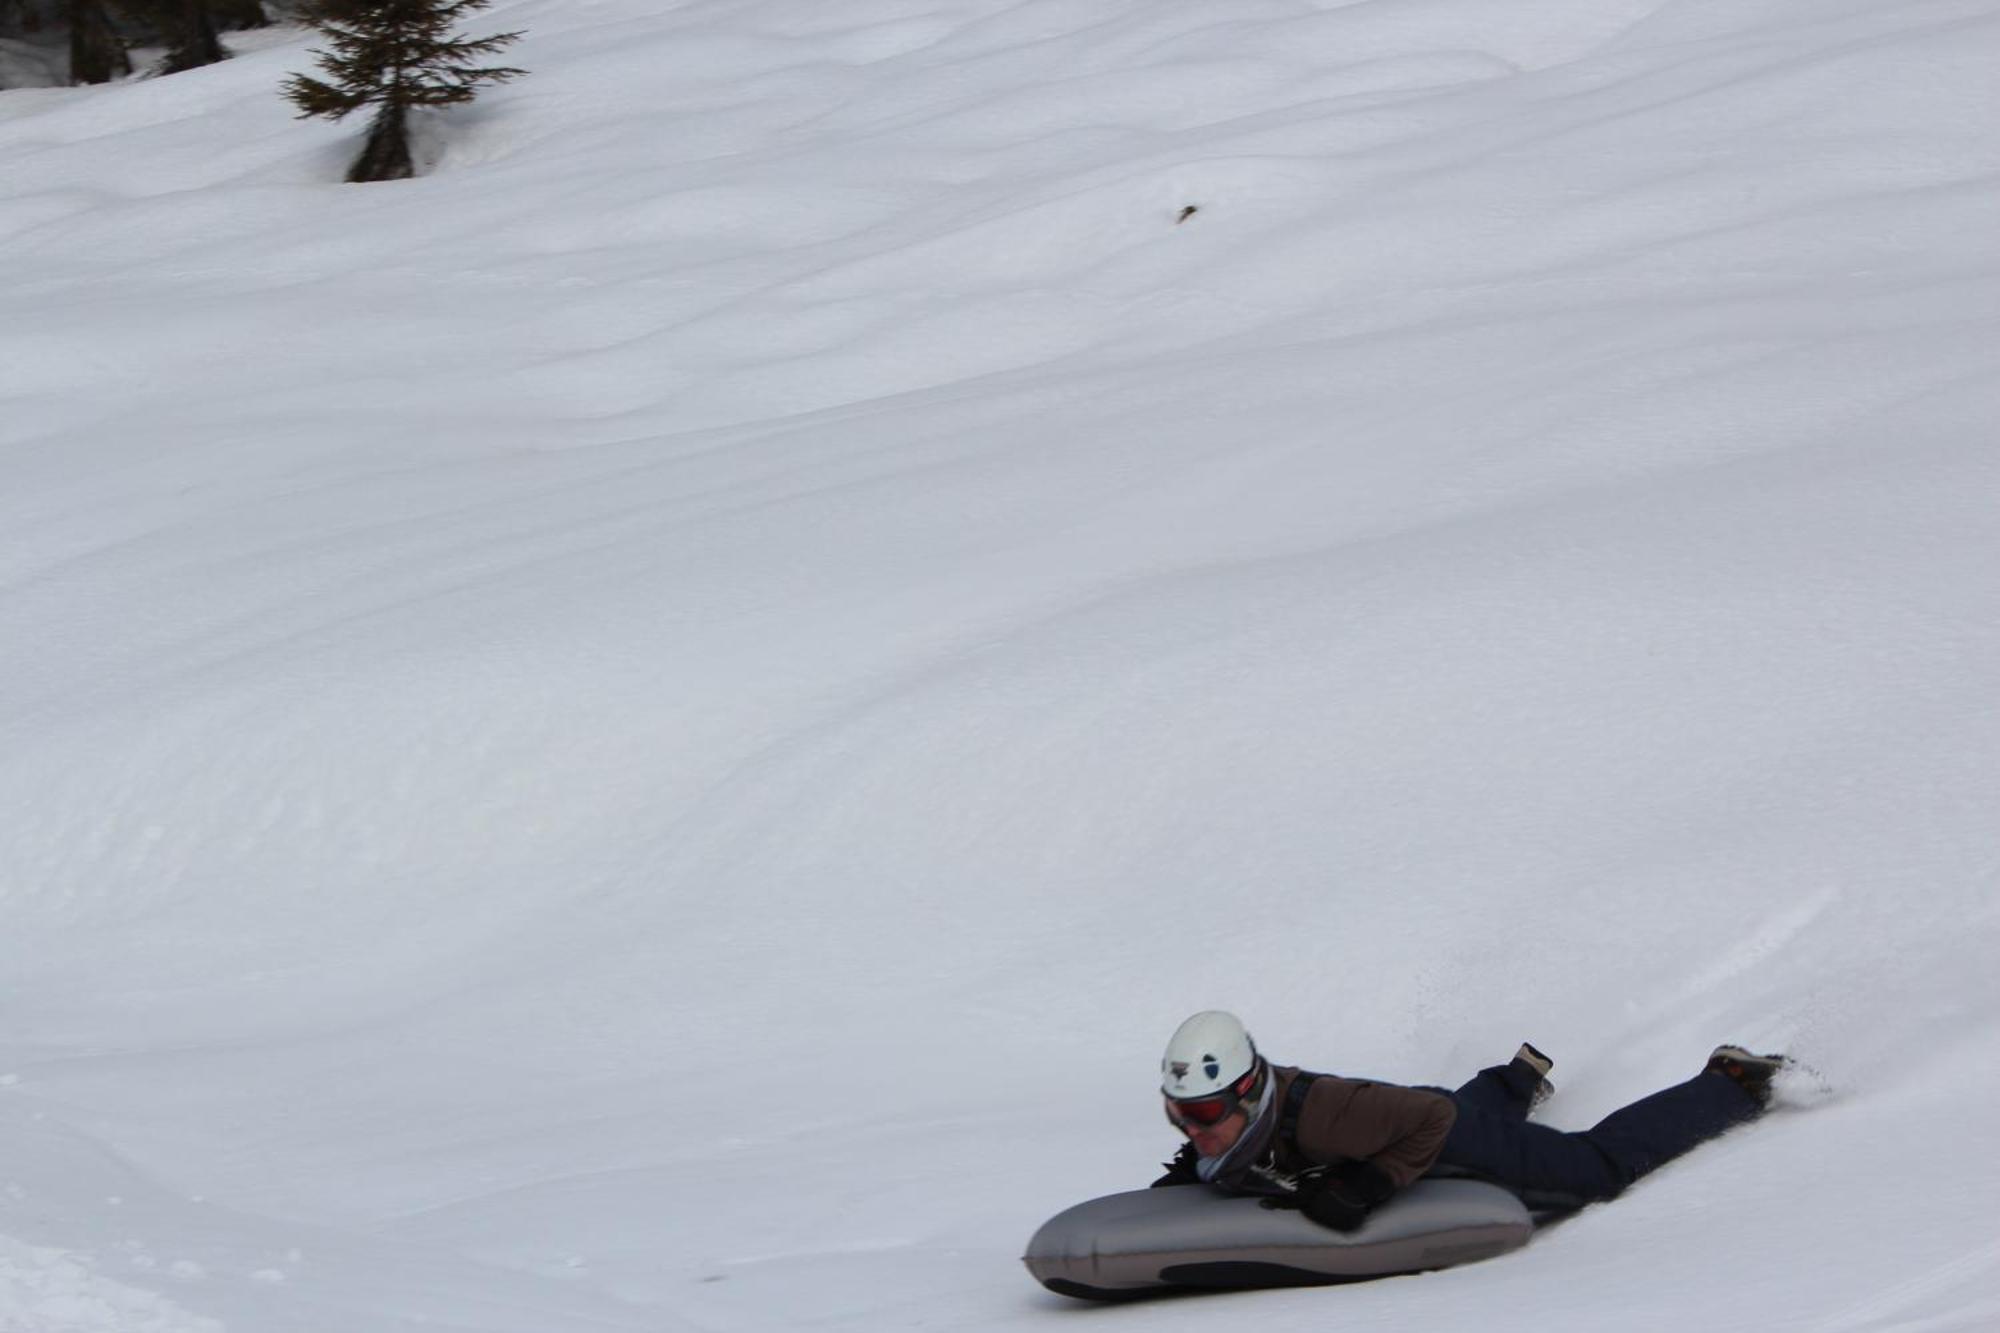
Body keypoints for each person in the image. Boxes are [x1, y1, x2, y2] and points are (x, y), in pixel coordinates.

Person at [1151, 1010, 1787, 1229]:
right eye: (1178, 1116)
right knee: (1441, 1109)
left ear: (1248, 1091)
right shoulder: (1238, 1122)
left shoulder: (1329, 1116)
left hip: (1435, 1125)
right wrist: (1200, 1160)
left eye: (1204, 1114)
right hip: (1404, 1113)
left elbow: (1429, 1119)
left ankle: (1730, 1082)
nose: (1192, 1128)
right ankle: (1518, 1078)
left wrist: (1372, 1184)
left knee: (1596, 1169)